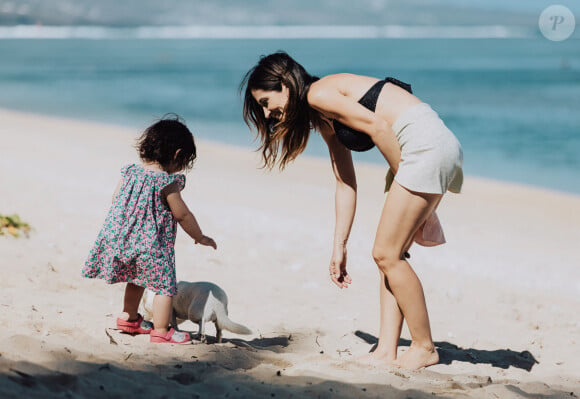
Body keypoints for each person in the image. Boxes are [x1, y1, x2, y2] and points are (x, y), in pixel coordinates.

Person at [240, 51, 463, 370]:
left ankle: (424, 347)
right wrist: (339, 246)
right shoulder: (321, 115)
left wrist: (407, 178)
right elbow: (345, 182)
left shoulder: (319, 94)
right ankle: (386, 350)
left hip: (423, 146)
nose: (267, 113)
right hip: (419, 148)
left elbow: (378, 128)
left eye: (265, 101)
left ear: (284, 84)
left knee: (386, 254)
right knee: (392, 256)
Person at [82, 115, 217, 344]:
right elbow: (182, 214)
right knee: (164, 286)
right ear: (177, 155)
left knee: (136, 278)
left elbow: (116, 199)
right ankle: (162, 330)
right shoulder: (166, 182)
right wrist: (199, 236)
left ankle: (129, 317)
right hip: (153, 246)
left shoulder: (130, 173)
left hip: (124, 238)